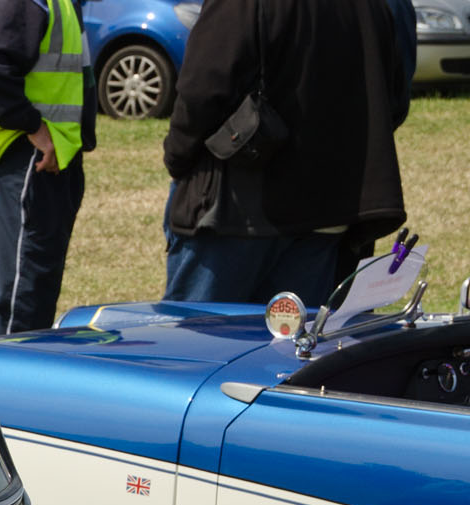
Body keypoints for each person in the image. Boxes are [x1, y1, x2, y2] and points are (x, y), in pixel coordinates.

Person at [161, 0, 408, 307]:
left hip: (239, 211)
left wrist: (178, 158)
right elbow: (394, 100)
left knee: (199, 344)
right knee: (292, 348)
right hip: (327, 208)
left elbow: (203, 89)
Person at [0, 0, 92, 338]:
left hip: (50, 163)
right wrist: (32, 125)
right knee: (19, 301)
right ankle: (1, 386)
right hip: (26, 162)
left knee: (35, 292)